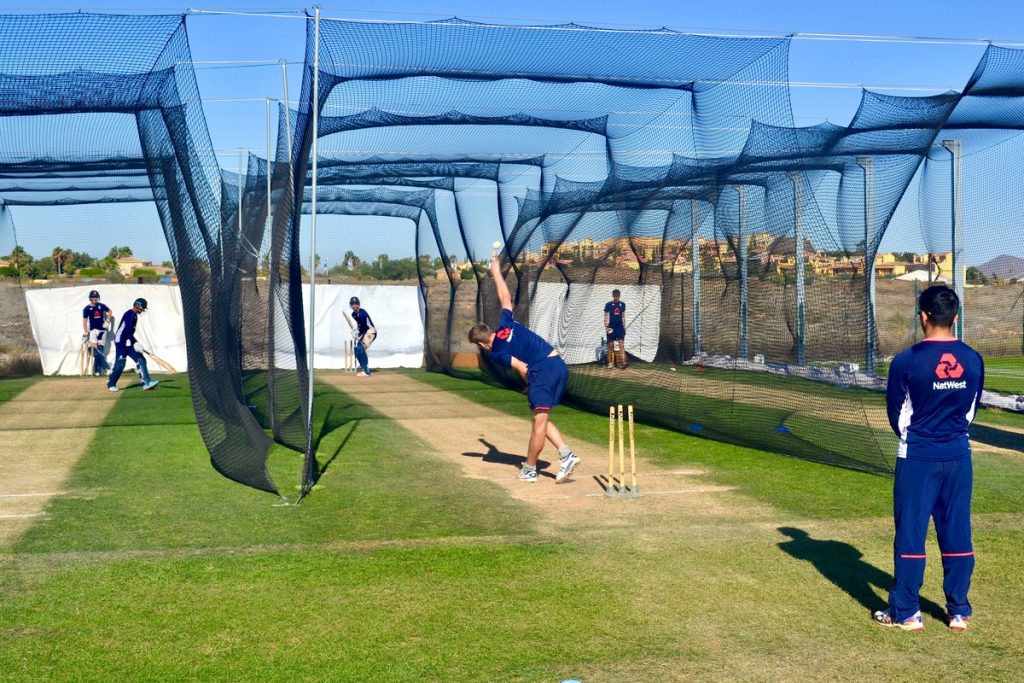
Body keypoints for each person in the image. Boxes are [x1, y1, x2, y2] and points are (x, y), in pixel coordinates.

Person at [873, 286, 983, 632]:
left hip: (918, 457)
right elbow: (970, 412)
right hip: (958, 456)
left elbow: (897, 415)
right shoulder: (973, 359)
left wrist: (921, 438)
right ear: (955, 317)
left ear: (922, 317)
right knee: (957, 531)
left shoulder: (906, 362)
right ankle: (958, 610)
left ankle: (906, 612)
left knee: (911, 533)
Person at [469, 254, 580, 483]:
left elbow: (521, 366)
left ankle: (530, 469)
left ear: (481, 343)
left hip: (542, 369)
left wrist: (529, 384)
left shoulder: (498, 353)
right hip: (558, 364)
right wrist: (496, 271)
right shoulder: (506, 324)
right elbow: (505, 296)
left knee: (538, 423)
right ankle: (566, 453)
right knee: (540, 416)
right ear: (489, 330)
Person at [107, 298, 160, 393]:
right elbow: (126, 331)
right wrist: (135, 342)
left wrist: (134, 342)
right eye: (142, 308)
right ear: (138, 306)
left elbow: (130, 332)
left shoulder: (135, 315)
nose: (143, 310)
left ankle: (147, 383)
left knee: (141, 359)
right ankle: (111, 383)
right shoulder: (130, 314)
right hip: (121, 341)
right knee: (120, 364)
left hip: (128, 340)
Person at [81, 289, 112, 376]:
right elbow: (85, 321)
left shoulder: (101, 306)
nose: (95, 299)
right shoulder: (87, 309)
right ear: (90, 298)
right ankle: (107, 368)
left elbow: (110, 311)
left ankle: (96, 371)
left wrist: (108, 321)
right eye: (93, 297)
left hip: (102, 330)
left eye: (96, 297)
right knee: (94, 350)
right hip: (93, 330)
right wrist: (86, 332)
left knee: (100, 350)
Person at [349, 296, 376, 377]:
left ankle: (366, 371)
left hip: (371, 331)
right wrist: (356, 331)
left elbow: (364, 326)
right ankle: (363, 366)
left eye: (355, 304)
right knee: (357, 350)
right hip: (364, 331)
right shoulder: (353, 314)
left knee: (361, 348)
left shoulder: (362, 313)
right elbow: (360, 325)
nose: (354, 305)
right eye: (352, 304)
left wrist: (358, 333)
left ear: (358, 305)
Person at [604, 289, 627, 369]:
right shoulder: (608, 305)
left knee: (621, 345)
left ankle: (624, 363)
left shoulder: (622, 304)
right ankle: (609, 363)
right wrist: (606, 327)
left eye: (618, 296)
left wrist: (624, 327)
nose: (616, 298)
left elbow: (623, 316)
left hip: (620, 327)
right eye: (615, 296)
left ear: (619, 296)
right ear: (613, 296)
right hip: (611, 327)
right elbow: (606, 316)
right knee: (610, 345)